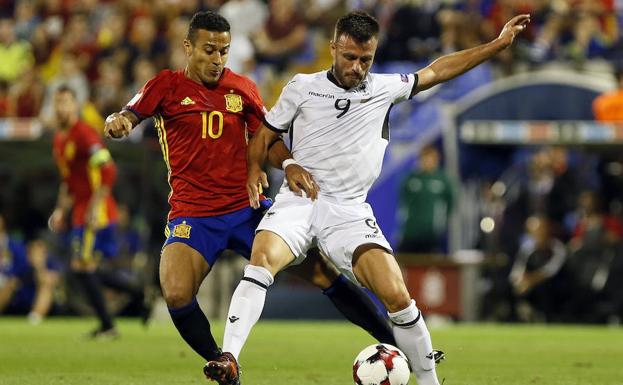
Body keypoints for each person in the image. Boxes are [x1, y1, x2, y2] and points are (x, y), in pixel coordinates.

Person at [206, 10, 529, 385]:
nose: (357, 67)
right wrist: (261, 169)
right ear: (333, 49)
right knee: (261, 260)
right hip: (297, 202)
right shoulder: (302, 86)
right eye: (350, 58)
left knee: (397, 295)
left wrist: (497, 44)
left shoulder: (384, 88)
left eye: (366, 59)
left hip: (349, 210)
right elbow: (263, 135)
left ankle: (430, 382)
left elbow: (439, 70)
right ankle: (229, 358)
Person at [104, 10, 396, 378]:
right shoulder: (165, 85)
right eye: (209, 50)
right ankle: (224, 361)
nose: (217, 59)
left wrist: (288, 164)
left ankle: (397, 345)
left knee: (323, 273)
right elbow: (130, 113)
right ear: (187, 47)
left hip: (247, 208)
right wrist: (119, 122)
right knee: (176, 292)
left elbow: (267, 138)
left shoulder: (242, 88)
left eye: (223, 51)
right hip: (192, 213)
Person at [48, 85, 120, 337]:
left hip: (94, 212)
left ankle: (108, 325)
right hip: (78, 211)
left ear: (75, 105)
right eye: (57, 102)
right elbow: (68, 182)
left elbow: (108, 170)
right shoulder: (59, 138)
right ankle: (132, 295)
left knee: (82, 265)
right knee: (83, 267)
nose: (61, 107)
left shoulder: (84, 134)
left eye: (66, 102)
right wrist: (59, 210)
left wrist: (95, 205)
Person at [0, 216, 60, 323]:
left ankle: (34, 319)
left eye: (40, 247)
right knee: (9, 284)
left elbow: (52, 278)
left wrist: (39, 266)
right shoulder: (22, 259)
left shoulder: (49, 262)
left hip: (39, 300)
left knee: (47, 283)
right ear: (28, 249)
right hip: (17, 297)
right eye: (34, 247)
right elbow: (11, 277)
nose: (37, 251)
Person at [398, 144, 455, 254]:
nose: (427, 162)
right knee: (404, 261)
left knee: (431, 265)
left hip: (432, 233)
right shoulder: (410, 178)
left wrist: (442, 221)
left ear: (436, 160)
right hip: (410, 231)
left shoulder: (442, 180)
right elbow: (403, 200)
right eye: (425, 158)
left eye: (431, 159)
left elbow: (451, 202)